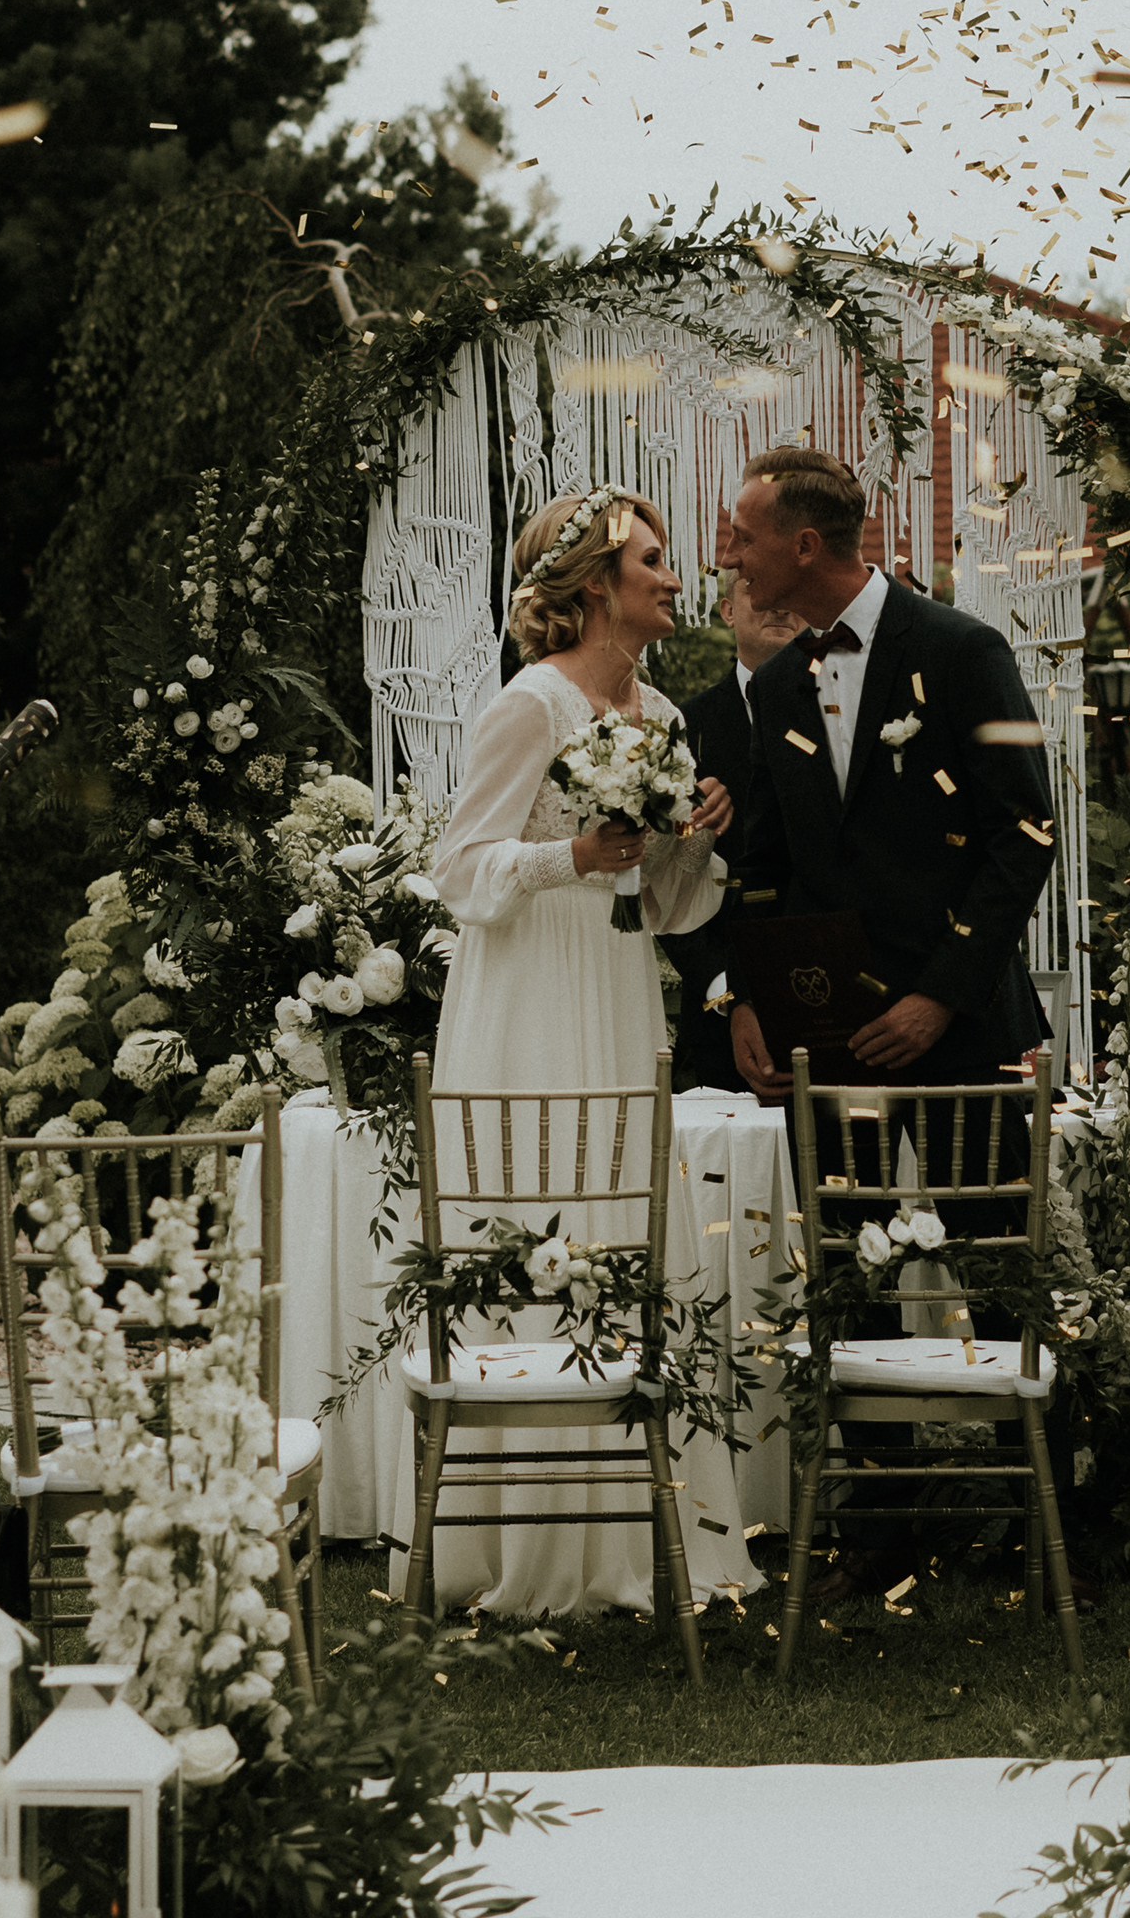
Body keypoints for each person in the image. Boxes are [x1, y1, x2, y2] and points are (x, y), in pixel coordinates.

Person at [420, 486, 733, 1617]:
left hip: (615, 984)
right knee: (538, 1208)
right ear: (597, 584)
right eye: (651, 560)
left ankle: (631, 1531)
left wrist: (689, 843)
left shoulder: (664, 713)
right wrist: (573, 858)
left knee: (618, 1208)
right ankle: (528, 1539)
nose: (673, 577)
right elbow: (459, 869)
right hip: (527, 997)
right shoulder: (530, 705)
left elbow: (670, 909)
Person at [713, 444, 1059, 1098]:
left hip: (964, 1038)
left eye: (744, 538)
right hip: (823, 1037)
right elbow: (764, 864)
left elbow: (1025, 835)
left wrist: (940, 996)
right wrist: (746, 998)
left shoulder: (963, 651)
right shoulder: (776, 685)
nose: (729, 558)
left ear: (806, 546)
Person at [659, 574, 800, 1092]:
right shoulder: (683, 725)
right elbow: (661, 869)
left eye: (789, 594)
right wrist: (725, 988)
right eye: (757, 591)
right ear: (728, 611)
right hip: (718, 1010)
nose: (778, 606)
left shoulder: (839, 712)